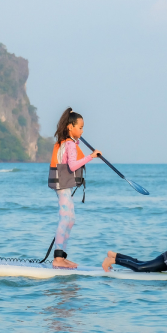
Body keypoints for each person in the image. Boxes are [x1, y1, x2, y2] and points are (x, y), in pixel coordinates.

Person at [48, 108, 102, 269]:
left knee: (70, 219)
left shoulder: (69, 142)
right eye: (80, 127)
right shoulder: (69, 144)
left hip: (63, 184)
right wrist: (90, 157)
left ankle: (61, 256)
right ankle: (57, 258)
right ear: (70, 127)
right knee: (66, 218)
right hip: (62, 185)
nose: (82, 130)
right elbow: (72, 166)